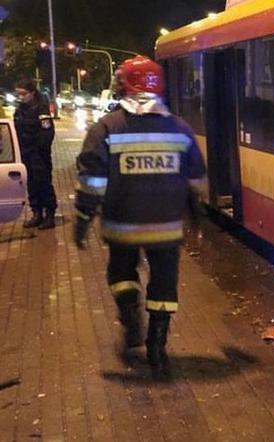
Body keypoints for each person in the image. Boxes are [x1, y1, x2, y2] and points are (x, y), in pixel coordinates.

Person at [73, 56, 206, 379]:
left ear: (123, 85)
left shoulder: (107, 128)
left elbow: (92, 181)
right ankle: (157, 347)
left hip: (123, 227)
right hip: (166, 230)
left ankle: (131, 322)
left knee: (121, 275)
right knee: (164, 285)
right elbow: (196, 178)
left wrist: (82, 220)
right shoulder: (179, 128)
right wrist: (196, 216)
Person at [13, 79, 57, 229]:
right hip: (25, 154)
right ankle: (37, 213)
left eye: (23, 94)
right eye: (18, 94)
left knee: (43, 183)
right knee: (31, 184)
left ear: (32, 93)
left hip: (39, 155)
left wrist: (38, 150)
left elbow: (47, 131)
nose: (21, 97)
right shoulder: (20, 110)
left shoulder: (41, 109)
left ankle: (49, 215)